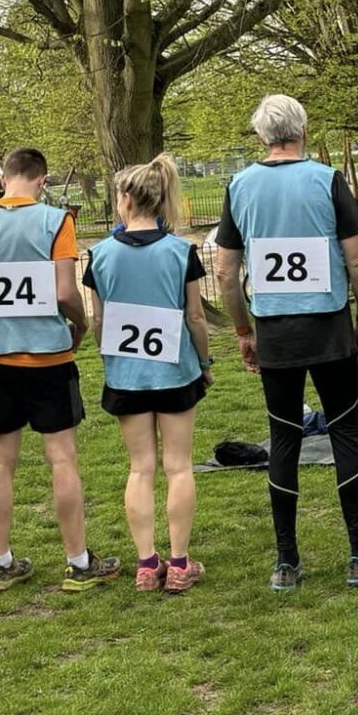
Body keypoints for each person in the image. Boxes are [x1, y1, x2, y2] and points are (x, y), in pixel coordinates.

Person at [215, 95, 358, 591]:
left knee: (284, 438)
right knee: (344, 434)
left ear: (261, 137)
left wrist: (243, 330)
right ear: (304, 130)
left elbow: (226, 271)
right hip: (328, 327)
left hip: (275, 331)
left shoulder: (239, 185)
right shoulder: (327, 179)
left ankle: (286, 562)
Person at [0, 148, 119, 594]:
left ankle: (0, 562)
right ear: (42, 179)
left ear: (2, 177)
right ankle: (77, 561)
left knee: (0, 461)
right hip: (50, 358)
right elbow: (64, 292)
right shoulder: (56, 221)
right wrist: (78, 323)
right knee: (62, 458)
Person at [88, 155, 213, 594]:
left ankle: (146, 563)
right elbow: (196, 318)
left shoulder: (99, 255)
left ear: (125, 199)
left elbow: (99, 322)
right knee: (178, 466)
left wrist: (112, 361)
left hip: (126, 375)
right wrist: (206, 363)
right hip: (176, 371)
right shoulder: (181, 252)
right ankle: (179, 563)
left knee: (140, 468)